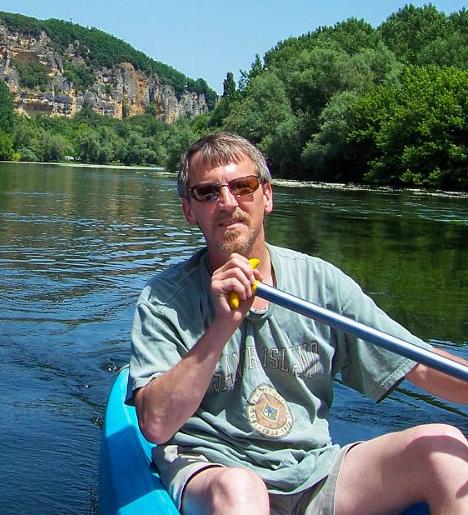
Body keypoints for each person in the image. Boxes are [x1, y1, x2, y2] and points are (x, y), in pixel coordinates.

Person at [128, 131, 468, 515]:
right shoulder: (164, 299)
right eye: (207, 192)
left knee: (444, 449)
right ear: (190, 210)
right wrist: (224, 324)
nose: (228, 202)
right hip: (213, 468)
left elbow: (419, 364)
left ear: (267, 196)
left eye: (243, 186)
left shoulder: (320, 283)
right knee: (241, 490)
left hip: (313, 470)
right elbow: (155, 425)